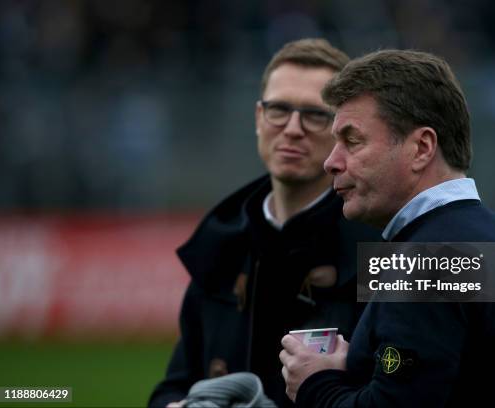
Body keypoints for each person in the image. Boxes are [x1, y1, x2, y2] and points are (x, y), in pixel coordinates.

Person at [280, 50, 495, 407]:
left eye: (352, 140)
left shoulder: (424, 263)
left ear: (422, 148)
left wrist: (314, 384)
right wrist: (360, 365)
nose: (331, 162)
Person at [148, 39, 379, 408]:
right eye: (279, 110)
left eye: (315, 114)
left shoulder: (378, 247)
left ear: (343, 131)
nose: (292, 128)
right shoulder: (219, 244)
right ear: (259, 118)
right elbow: (173, 386)